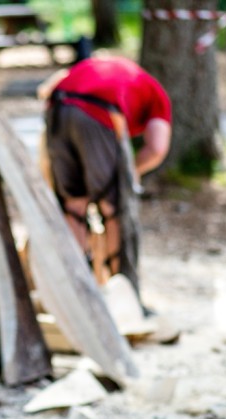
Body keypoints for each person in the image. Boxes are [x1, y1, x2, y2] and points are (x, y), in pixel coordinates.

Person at [39, 55, 172, 301]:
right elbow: (157, 148)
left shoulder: (105, 69)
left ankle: (76, 293)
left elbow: (49, 91)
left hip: (56, 108)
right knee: (114, 207)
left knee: (73, 206)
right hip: (98, 112)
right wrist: (132, 172)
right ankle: (125, 297)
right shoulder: (157, 95)